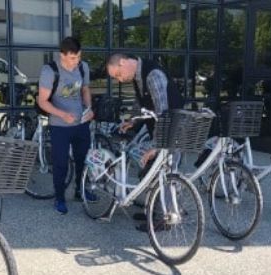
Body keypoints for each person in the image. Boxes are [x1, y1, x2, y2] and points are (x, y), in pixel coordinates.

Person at [106, 53, 183, 230]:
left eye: (118, 74)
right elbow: (141, 104)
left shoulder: (153, 75)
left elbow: (163, 112)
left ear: (123, 62)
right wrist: (133, 121)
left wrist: (156, 145)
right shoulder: (137, 76)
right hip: (163, 130)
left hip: (172, 130)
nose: (119, 80)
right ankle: (153, 212)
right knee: (155, 171)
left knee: (166, 173)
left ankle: (162, 220)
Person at [37, 37, 95, 214]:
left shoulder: (83, 67)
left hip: (81, 123)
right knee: (61, 163)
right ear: (61, 55)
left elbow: (85, 89)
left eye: (78, 57)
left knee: (82, 160)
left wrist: (89, 108)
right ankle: (60, 198)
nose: (75, 61)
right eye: (72, 58)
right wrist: (62, 114)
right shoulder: (50, 71)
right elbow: (42, 101)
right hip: (60, 126)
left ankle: (80, 190)